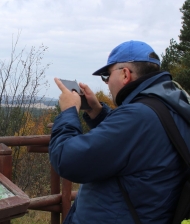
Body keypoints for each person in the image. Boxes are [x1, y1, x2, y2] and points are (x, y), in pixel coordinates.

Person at [49, 40, 190, 223]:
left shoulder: (138, 116)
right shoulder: (170, 105)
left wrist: (68, 112)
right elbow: (131, 146)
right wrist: (97, 112)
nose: (107, 84)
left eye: (106, 76)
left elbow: (66, 159)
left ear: (125, 74)